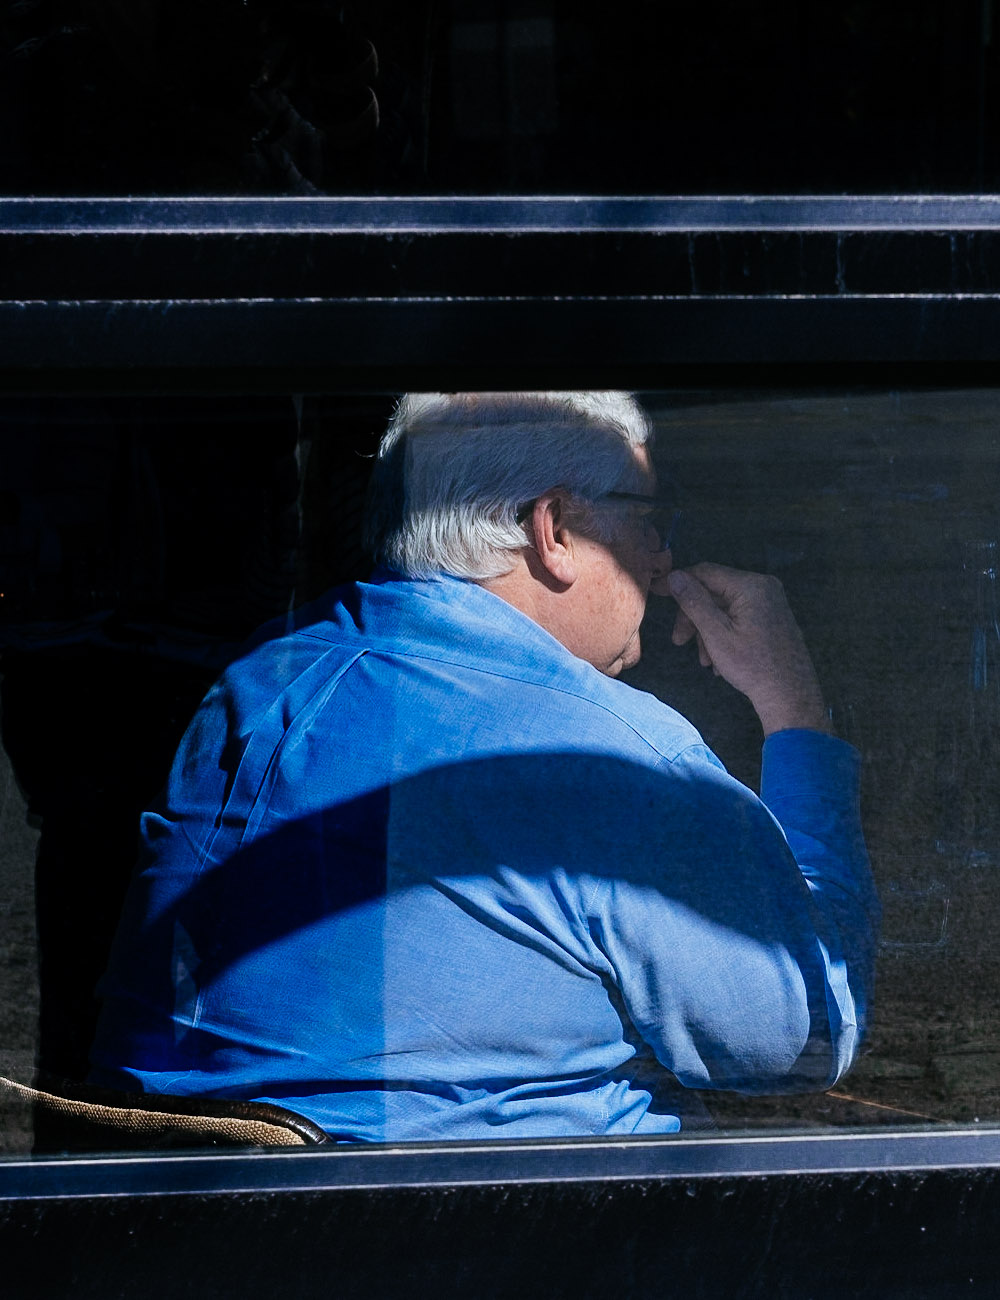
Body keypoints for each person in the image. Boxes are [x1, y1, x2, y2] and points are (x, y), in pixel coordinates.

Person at [88, 392, 878, 1142]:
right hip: (500, 1233)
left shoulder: (257, 682)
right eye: (652, 520)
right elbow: (801, 1035)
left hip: (213, 1213)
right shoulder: (606, 752)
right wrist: (795, 709)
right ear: (556, 530)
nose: (664, 557)